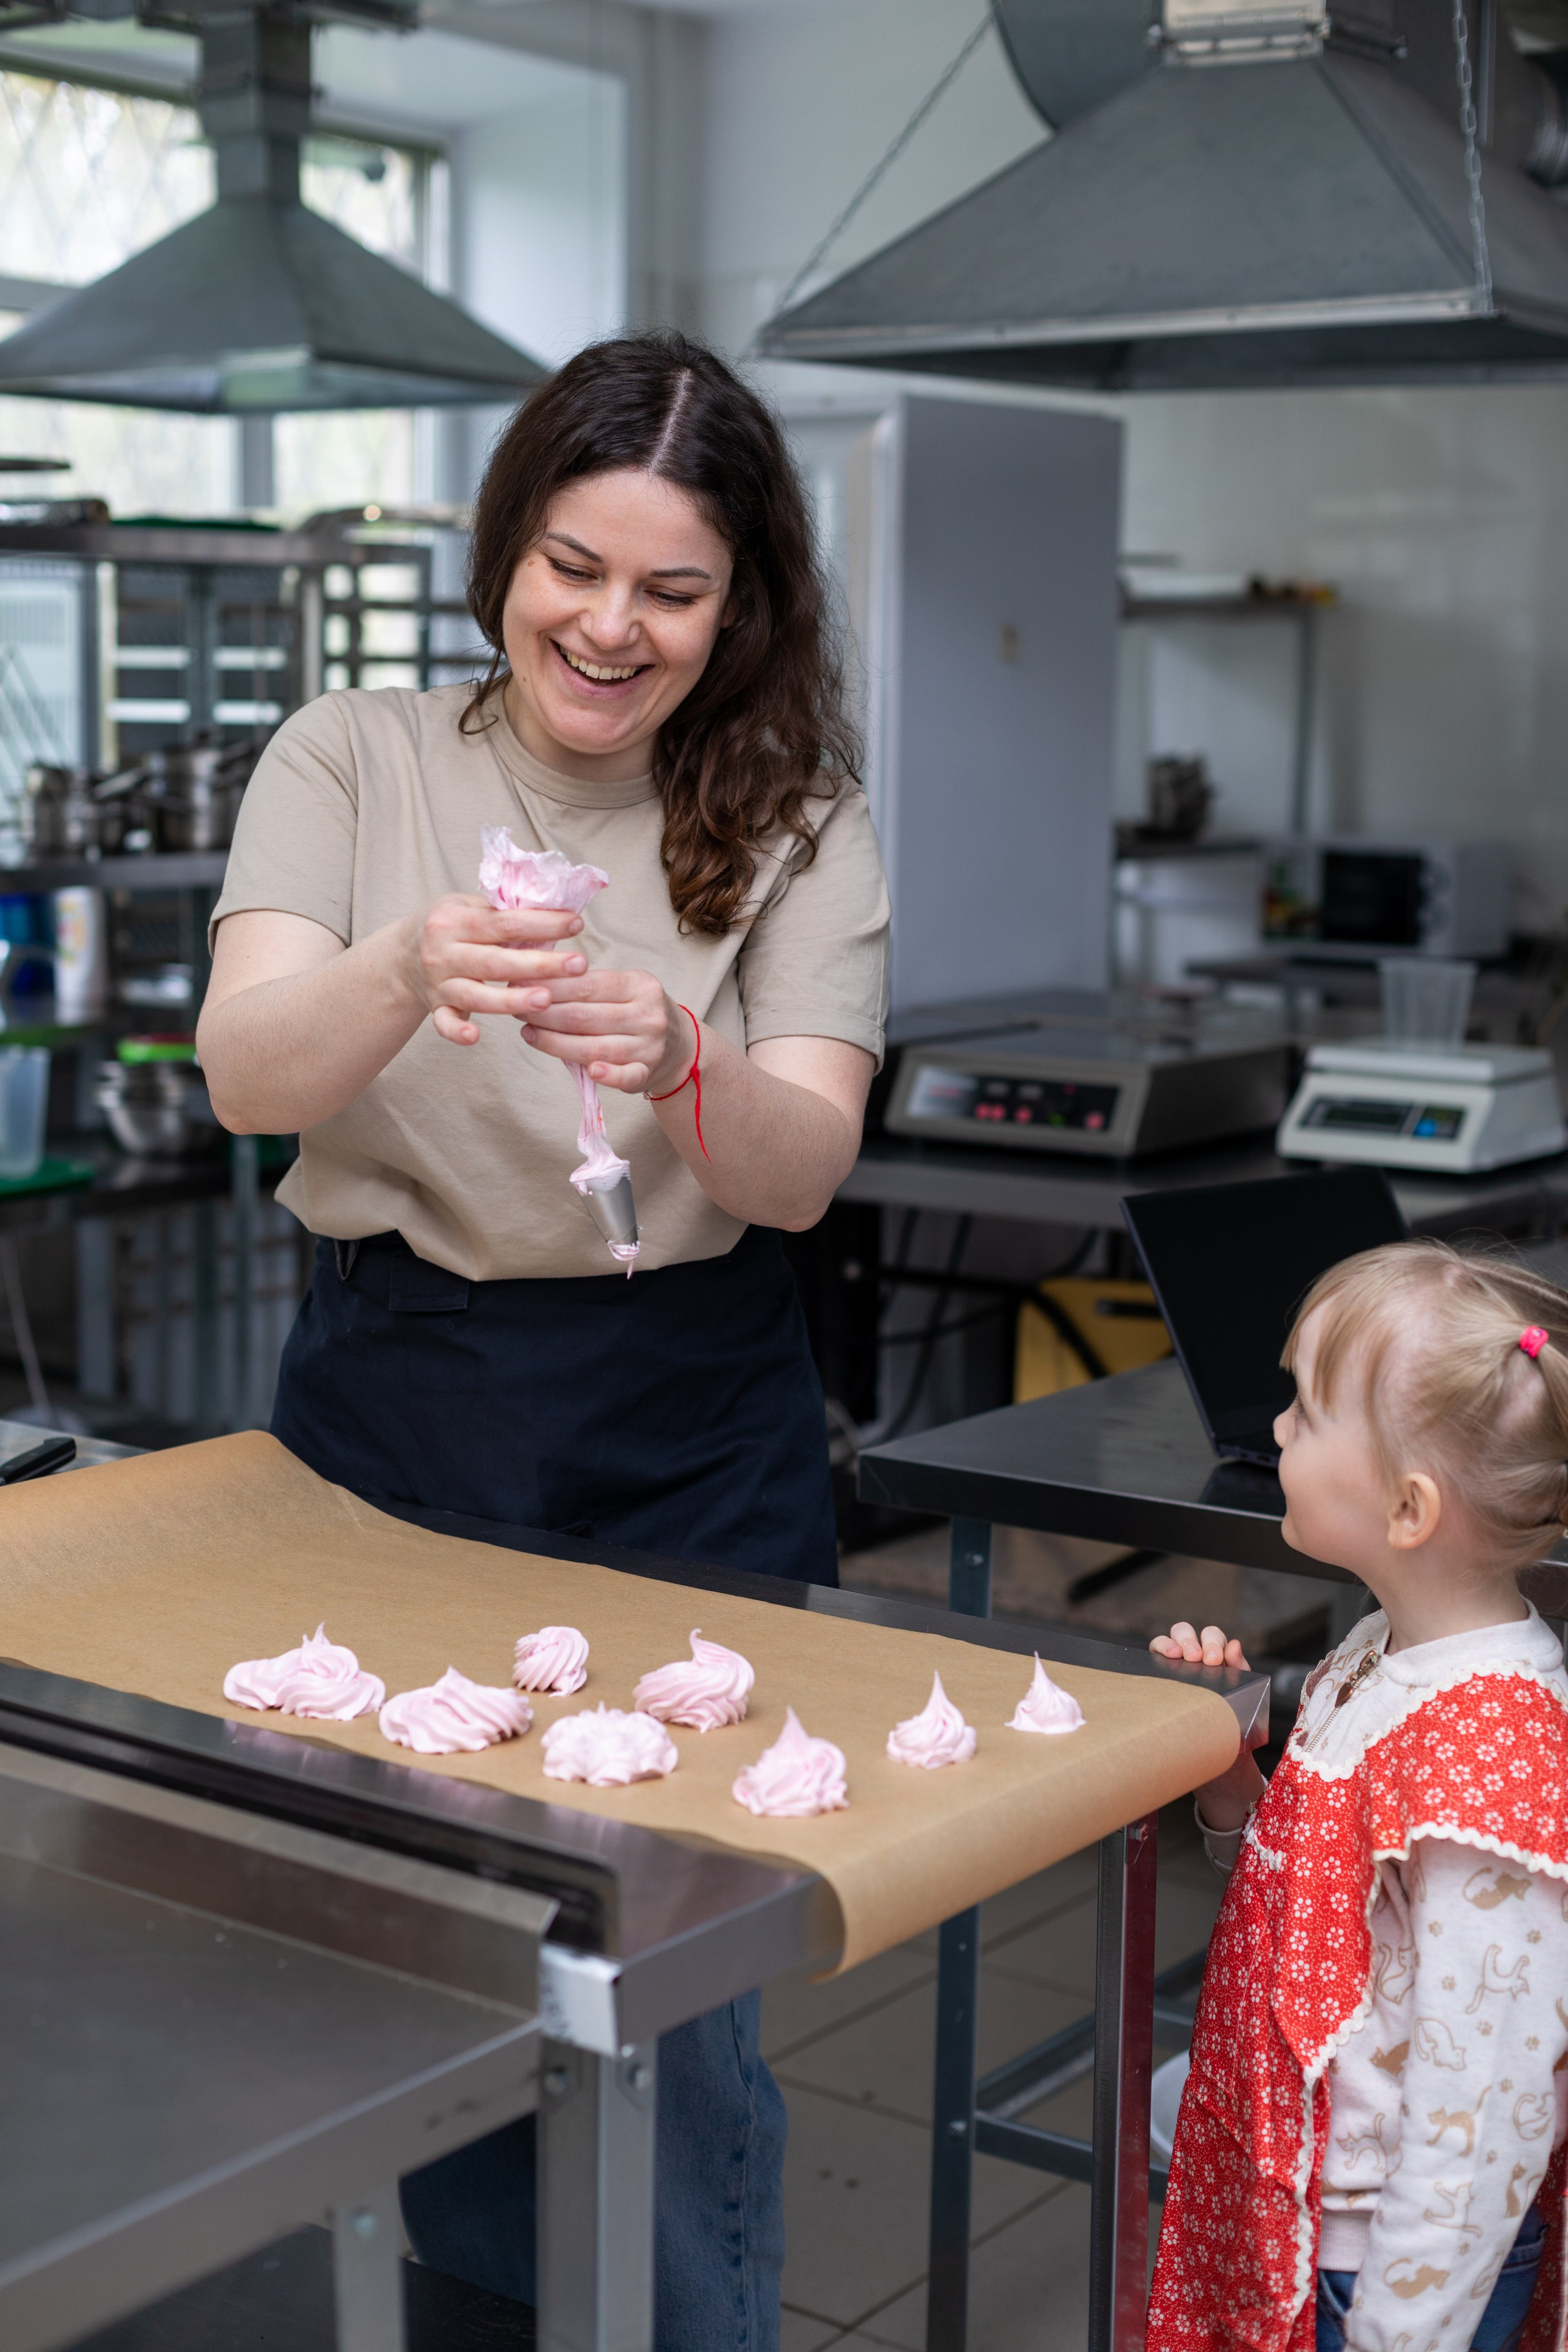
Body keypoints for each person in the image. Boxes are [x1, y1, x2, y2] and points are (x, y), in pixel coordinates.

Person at [195, 330, 891, 2351]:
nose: (614, 627)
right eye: (575, 567)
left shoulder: (798, 817)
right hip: (398, 1408)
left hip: (691, 1419)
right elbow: (249, 1072)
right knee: (410, 1957)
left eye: (676, 591)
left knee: (663, 1975)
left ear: (740, 605)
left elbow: (799, 1172)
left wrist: (685, 1059)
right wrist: (412, 963)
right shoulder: (356, 758)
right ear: (507, 550)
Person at [1146, 1241, 1568, 2352]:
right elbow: (1315, 1927)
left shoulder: (1490, 1753)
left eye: (1306, 1410)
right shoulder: (1376, 1657)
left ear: (1409, 1507)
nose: (1276, 1429)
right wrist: (1235, 1780)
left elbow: (1481, 2113)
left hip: (1384, 2276)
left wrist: (1399, 2330)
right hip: (1300, 2218)